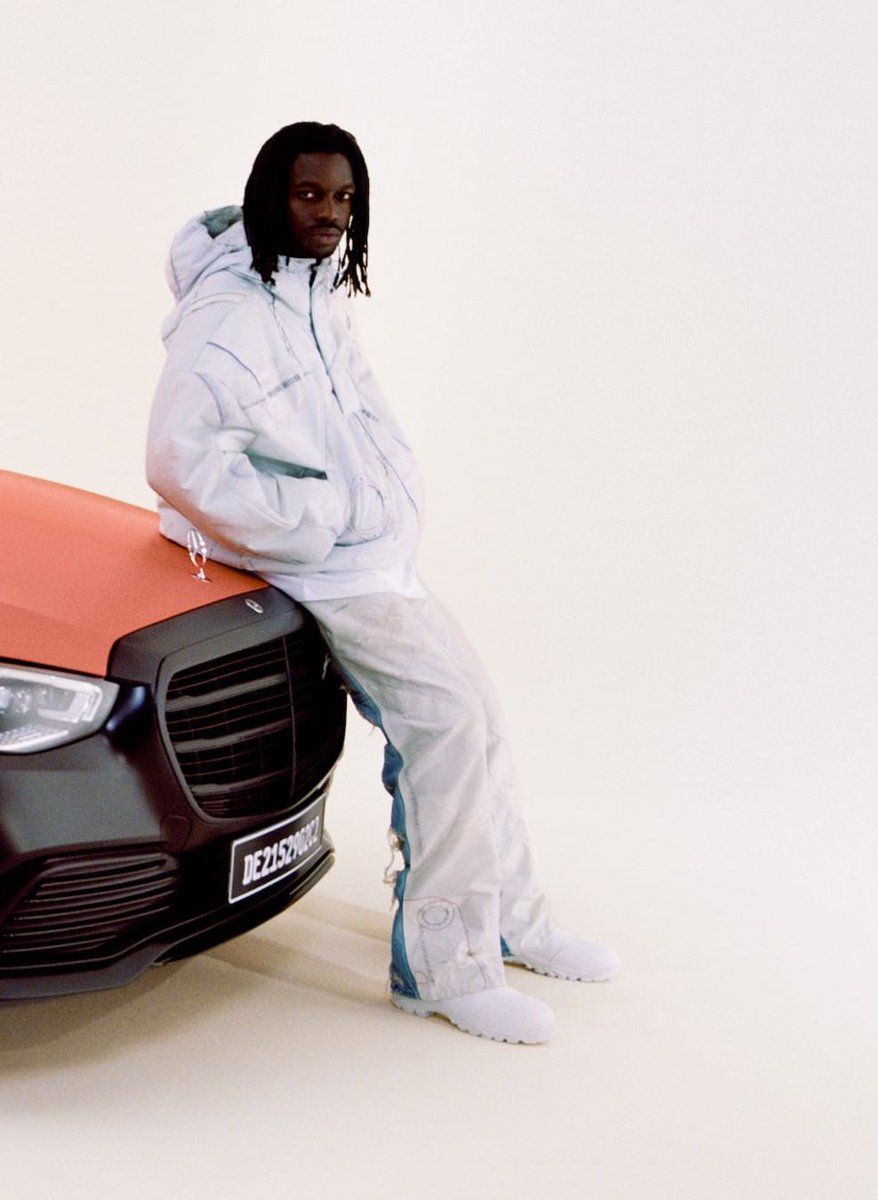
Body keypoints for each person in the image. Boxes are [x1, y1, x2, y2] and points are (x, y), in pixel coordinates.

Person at [146, 121, 618, 1043]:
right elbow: (176, 458)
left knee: (475, 716)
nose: (330, 214)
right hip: (327, 566)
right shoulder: (230, 316)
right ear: (270, 196)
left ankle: (511, 920)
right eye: (309, 195)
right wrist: (316, 520)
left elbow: (354, 415)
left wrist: (383, 494)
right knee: (444, 727)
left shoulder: (316, 290)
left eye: (344, 198)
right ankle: (445, 969)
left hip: (373, 555)